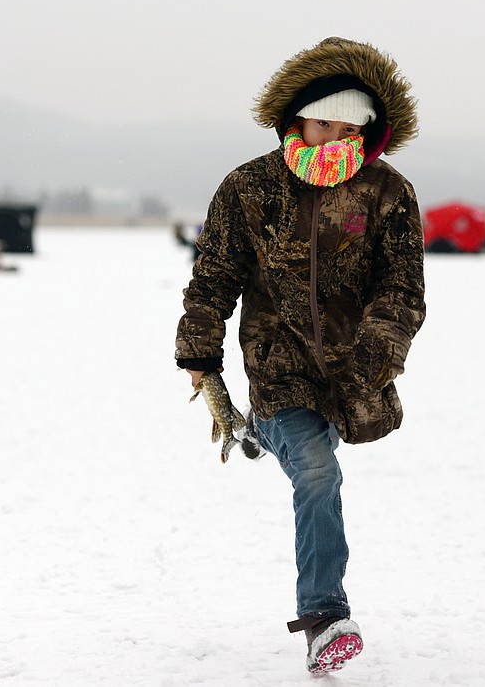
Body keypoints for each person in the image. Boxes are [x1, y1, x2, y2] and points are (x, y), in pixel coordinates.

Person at [174, 37, 425, 674]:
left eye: (348, 128)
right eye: (322, 123)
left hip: (350, 364)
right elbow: (212, 281)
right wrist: (201, 355)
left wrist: (379, 348)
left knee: (318, 451)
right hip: (275, 358)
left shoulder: (388, 192)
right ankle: (325, 618)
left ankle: (262, 432)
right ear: (296, 118)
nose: (332, 139)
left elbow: (403, 286)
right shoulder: (248, 187)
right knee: (316, 470)